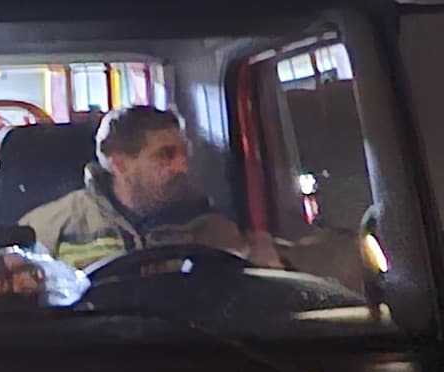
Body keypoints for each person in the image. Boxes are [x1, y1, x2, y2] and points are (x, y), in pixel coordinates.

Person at [21, 103, 265, 274]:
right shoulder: (48, 228)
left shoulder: (213, 228)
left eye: (184, 154)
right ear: (120, 164)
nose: (183, 167)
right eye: (166, 155)